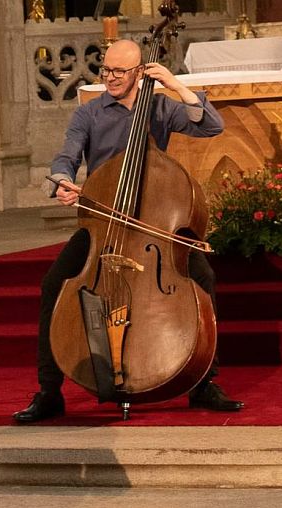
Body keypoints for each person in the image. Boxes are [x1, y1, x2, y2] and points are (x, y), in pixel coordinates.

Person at [14, 38, 242, 424]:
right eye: (105, 70)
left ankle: (204, 383)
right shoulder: (90, 114)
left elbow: (212, 126)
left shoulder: (161, 107)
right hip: (102, 223)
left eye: (120, 72)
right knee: (53, 284)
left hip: (153, 224)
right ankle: (49, 392)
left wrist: (176, 85)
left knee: (202, 277)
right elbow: (66, 156)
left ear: (140, 73)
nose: (110, 78)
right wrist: (61, 180)